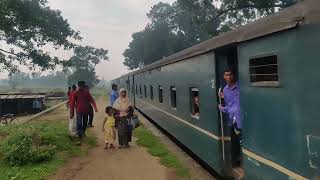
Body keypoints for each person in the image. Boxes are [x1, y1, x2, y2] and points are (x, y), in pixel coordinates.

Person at [218, 69, 242, 167]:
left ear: (233, 76)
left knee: (241, 142)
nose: (229, 77)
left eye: (230, 74)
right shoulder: (225, 90)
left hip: (242, 119)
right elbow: (229, 106)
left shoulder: (240, 86)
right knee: (236, 142)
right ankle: (236, 162)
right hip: (233, 121)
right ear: (224, 77)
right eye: (226, 75)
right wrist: (221, 108)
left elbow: (238, 104)